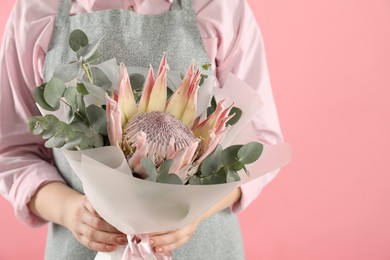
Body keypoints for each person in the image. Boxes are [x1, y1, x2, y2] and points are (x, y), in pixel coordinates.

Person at [0, 0, 283, 259]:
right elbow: (11, 151)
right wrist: (69, 209)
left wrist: (194, 213)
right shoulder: (36, 10)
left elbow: (260, 142)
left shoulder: (219, 6)